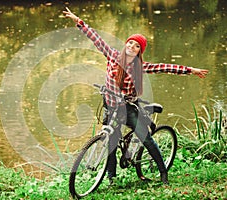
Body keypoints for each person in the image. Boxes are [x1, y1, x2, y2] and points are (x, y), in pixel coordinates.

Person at [63, 7, 208, 185]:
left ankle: (163, 172)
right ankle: (111, 178)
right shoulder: (113, 56)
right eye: (130, 43)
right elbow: (96, 39)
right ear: (126, 45)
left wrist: (190, 70)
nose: (132, 47)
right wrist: (78, 21)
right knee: (111, 142)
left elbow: (165, 67)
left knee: (146, 138)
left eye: (136, 46)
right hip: (110, 105)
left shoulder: (140, 67)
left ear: (140, 51)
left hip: (128, 107)